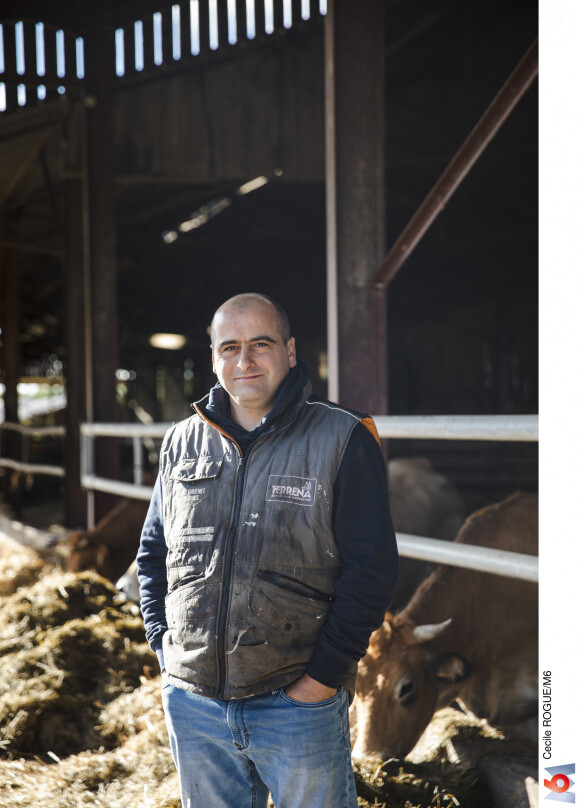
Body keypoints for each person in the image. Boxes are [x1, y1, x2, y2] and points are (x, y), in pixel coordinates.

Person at [137, 293, 398, 808]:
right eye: (229, 347)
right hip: (195, 704)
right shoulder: (181, 442)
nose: (244, 361)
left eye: (261, 344)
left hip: (296, 701)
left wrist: (321, 680)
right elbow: (153, 550)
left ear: (291, 351)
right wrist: (162, 644)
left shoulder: (343, 437)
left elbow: (373, 569)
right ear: (213, 357)